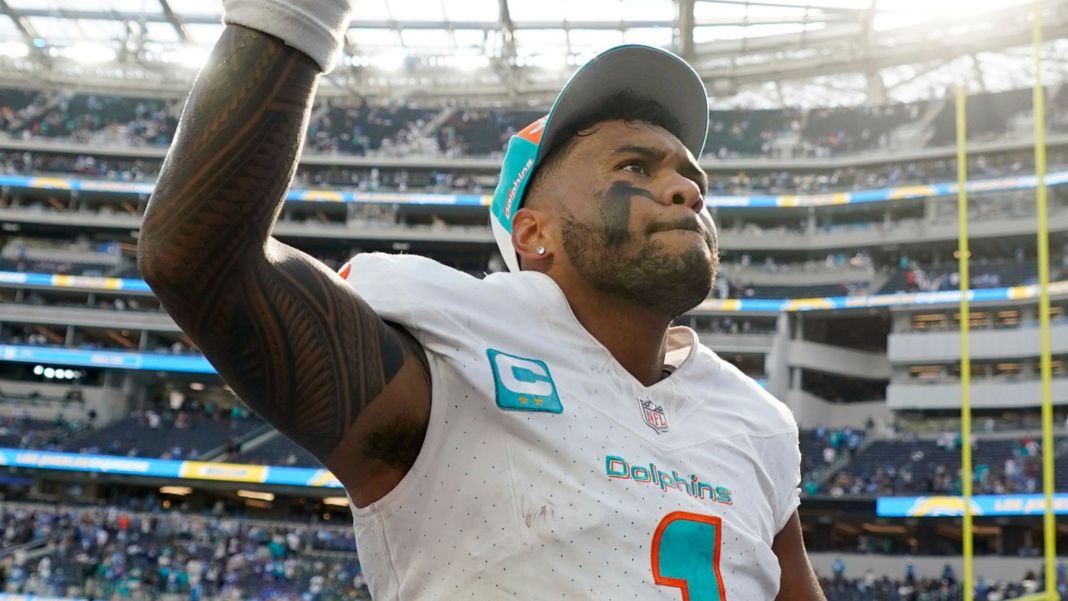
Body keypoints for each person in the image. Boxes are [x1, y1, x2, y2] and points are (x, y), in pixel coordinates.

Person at [137, 1, 824, 599]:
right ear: (533, 232)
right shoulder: (452, 351)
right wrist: (296, 16)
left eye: (693, 177)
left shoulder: (753, 421)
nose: (687, 190)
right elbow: (197, 259)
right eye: (635, 166)